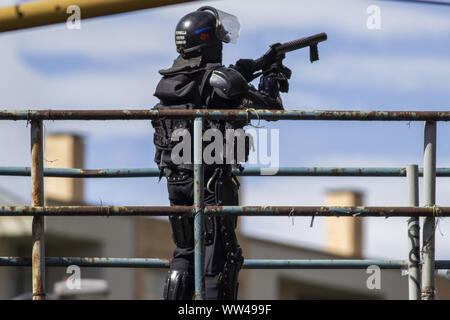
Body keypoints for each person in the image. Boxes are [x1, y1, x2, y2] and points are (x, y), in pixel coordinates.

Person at [151, 6, 287, 300]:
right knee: (221, 259)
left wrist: (257, 63)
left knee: (185, 253)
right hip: (211, 182)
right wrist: (271, 80)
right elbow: (272, 109)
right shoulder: (218, 80)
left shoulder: (173, 81)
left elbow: (220, 81)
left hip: (177, 181)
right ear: (208, 42)